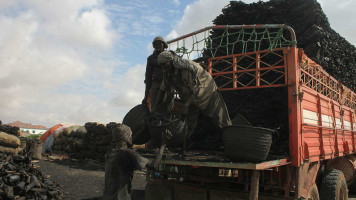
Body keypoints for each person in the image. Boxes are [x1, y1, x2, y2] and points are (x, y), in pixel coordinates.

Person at [153, 51, 232, 139]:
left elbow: (195, 89)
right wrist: (154, 107)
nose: (163, 66)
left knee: (220, 117)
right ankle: (183, 143)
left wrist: (186, 105)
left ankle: (231, 139)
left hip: (206, 91)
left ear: (171, 61)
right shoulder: (167, 71)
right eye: (161, 65)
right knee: (188, 122)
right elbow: (162, 89)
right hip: (190, 97)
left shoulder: (186, 68)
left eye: (165, 64)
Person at [103, 123, 171, 200]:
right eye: (130, 135)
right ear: (126, 137)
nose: (131, 137)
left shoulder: (110, 153)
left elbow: (129, 144)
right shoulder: (128, 154)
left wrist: (144, 133)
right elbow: (153, 165)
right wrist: (163, 144)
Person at [142, 36, 168, 112]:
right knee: (154, 105)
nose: (158, 46)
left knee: (166, 105)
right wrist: (146, 96)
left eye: (159, 44)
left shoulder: (169, 56)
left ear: (163, 45)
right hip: (156, 83)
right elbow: (148, 75)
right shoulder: (151, 58)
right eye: (156, 45)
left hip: (167, 83)